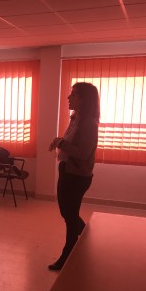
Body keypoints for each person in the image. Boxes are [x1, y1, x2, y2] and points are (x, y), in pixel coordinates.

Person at [48, 82, 100, 271]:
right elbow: (70, 143)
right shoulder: (75, 118)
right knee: (66, 212)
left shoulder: (89, 123)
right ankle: (85, 236)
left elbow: (83, 153)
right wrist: (59, 142)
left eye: (73, 95)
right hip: (67, 169)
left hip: (78, 175)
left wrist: (62, 143)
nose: (69, 98)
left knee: (70, 216)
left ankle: (67, 254)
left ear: (84, 100)